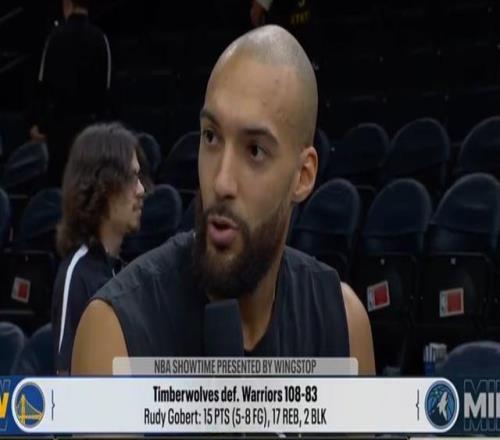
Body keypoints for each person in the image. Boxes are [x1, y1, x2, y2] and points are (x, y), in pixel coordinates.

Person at [72, 25, 375, 375]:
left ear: (303, 176)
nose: (221, 181)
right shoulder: (115, 331)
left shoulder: (344, 325)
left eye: (255, 150)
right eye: (211, 137)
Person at [52, 122, 146, 374]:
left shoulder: (124, 273)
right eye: (132, 178)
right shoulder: (76, 273)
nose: (141, 190)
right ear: (103, 185)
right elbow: (65, 378)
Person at [30, 0, 112, 186]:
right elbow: (106, 92)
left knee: (59, 188)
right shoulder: (100, 39)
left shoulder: (54, 38)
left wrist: (40, 125)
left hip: (58, 133)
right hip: (90, 133)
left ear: (67, 4)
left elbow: (43, 88)